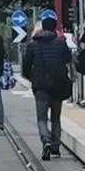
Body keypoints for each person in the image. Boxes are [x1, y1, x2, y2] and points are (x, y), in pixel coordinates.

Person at [23, 16, 72, 159]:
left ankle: (46, 141)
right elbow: (67, 60)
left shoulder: (33, 45)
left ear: (42, 27)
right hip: (58, 85)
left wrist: (32, 78)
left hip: (40, 86)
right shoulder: (61, 43)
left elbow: (26, 66)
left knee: (42, 118)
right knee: (56, 118)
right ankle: (56, 146)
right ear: (55, 27)